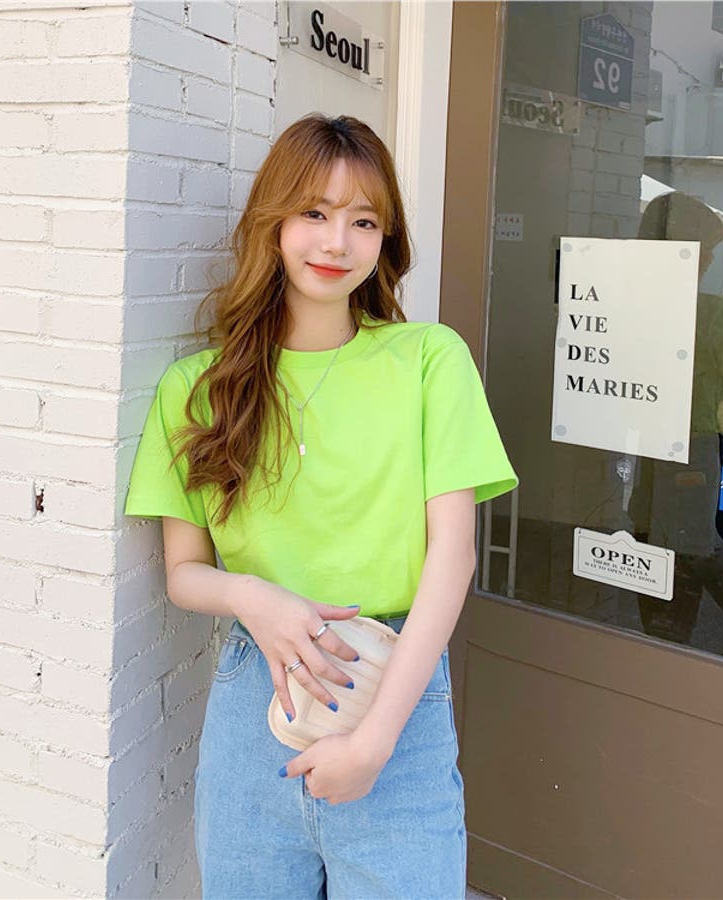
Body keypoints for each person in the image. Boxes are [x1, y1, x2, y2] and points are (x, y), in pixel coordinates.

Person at [123, 113, 519, 899]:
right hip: (254, 704)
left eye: (363, 221)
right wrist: (254, 598)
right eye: (314, 212)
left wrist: (375, 743)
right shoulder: (197, 389)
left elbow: (454, 555)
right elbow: (183, 570)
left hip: (396, 697)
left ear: (385, 239)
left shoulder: (428, 361)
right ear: (273, 222)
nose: (337, 243)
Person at [629, 192, 723, 657]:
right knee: (699, 547)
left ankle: (663, 640)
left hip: (649, 446)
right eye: (704, 249)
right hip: (701, 447)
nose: (708, 260)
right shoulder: (713, 313)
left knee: (654, 536)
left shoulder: (628, 303)